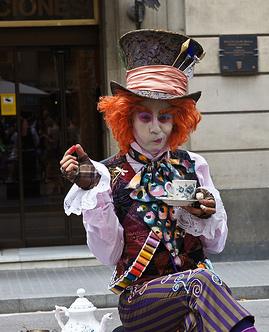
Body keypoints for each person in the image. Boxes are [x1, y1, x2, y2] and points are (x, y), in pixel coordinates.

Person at [60, 30, 256, 332]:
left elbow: (216, 245)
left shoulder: (194, 165)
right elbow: (108, 255)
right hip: (142, 299)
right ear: (126, 118)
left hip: (196, 292)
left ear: (177, 119)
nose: (156, 129)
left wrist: (203, 212)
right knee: (202, 282)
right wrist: (92, 189)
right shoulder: (107, 174)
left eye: (164, 117)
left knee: (199, 316)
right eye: (145, 117)